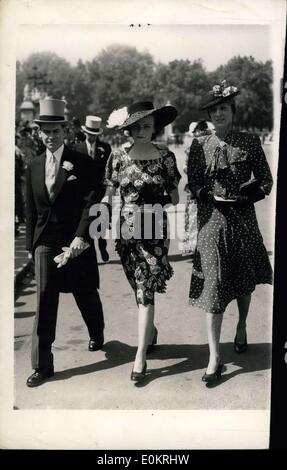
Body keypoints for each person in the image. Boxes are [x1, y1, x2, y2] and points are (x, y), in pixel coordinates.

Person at [187, 80, 273, 383]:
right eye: (214, 110)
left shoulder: (249, 142)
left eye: (223, 108)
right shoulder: (199, 145)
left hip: (243, 221)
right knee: (214, 285)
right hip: (211, 222)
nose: (218, 114)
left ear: (232, 110)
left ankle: (242, 326)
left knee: (244, 280)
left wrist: (249, 193)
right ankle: (214, 357)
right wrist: (204, 194)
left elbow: (266, 180)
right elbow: (193, 182)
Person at [25, 99, 105, 387]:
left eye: (55, 131)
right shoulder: (34, 166)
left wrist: (82, 236)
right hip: (46, 241)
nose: (51, 136)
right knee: (45, 298)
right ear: (40, 133)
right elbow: (31, 209)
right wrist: (32, 248)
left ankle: (97, 332)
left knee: (85, 293)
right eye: (45, 131)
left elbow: (91, 202)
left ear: (64, 132)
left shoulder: (81, 162)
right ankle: (42, 365)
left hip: (76, 240)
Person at [105, 101, 181, 381]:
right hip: (125, 233)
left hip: (154, 232)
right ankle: (150, 330)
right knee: (136, 288)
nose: (141, 131)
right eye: (136, 127)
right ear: (128, 129)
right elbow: (109, 194)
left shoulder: (166, 158)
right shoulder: (117, 158)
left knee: (145, 289)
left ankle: (140, 357)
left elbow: (174, 198)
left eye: (146, 126)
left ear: (154, 128)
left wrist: (152, 203)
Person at [75, 115, 112, 262]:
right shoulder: (77, 148)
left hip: (99, 191)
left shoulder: (105, 148)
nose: (91, 137)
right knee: (86, 222)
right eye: (89, 134)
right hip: (82, 193)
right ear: (85, 133)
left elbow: (109, 170)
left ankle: (102, 245)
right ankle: (90, 253)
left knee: (101, 222)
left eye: (94, 135)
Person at [181, 121, 212, 256]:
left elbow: (186, 168)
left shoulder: (192, 146)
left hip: (195, 189)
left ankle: (193, 246)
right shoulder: (216, 142)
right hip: (211, 188)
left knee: (193, 217)